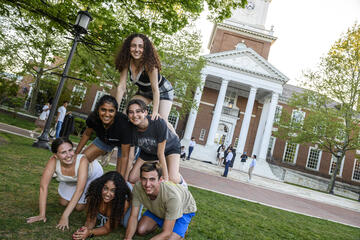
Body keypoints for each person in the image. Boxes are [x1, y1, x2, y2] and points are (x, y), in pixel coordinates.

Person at [26, 138, 103, 230]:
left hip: (91, 176)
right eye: (63, 152)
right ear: (56, 155)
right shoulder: (53, 161)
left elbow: (79, 190)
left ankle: (94, 201)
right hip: (71, 179)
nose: (68, 155)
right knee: (63, 203)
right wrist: (41, 214)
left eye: (70, 150)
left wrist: (65, 216)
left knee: (79, 208)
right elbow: (43, 187)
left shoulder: (82, 161)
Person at [114, 33, 176, 133]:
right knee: (127, 112)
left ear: (145, 49)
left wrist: (155, 112)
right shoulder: (126, 62)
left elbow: (155, 89)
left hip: (162, 90)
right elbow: (121, 87)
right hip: (144, 92)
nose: (137, 49)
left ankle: (177, 143)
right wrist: (115, 109)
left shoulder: (150, 65)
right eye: (133, 46)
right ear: (128, 48)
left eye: (140, 46)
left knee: (161, 121)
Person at [124, 163, 197, 240]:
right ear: (140, 178)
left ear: (160, 179)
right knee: (141, 230)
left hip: (183, 210)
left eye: (152, 179)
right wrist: (127, 238)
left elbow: (167, 233)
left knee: (169, 238)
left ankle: (179, 229)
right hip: (159, 209)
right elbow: (133, 216)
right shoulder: (138, 187)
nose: (147, 184)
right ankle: (166, 222)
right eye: (144, 179)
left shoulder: (172, 196)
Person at [126, 99, 184, 185]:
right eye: (131, 112)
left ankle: (180, 180)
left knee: (172, 178)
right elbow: (130, 156)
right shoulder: (130, 128)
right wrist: (125, 180)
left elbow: (160, 153)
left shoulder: (157, 122)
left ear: (145, 112)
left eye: (138, 111)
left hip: (170, 148)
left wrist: (166, 180)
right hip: (148, 151)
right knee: (132, 178)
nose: (135, 115)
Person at [75, 95, 132, 178]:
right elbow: (87, 134)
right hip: (104, 139)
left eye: (111, 111)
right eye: (103, 110)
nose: (107, 114)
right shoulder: (93, 118)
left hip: (123, 144)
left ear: (116, 111)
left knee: (120, 175)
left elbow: (124, 156)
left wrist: (122, 180)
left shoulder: (124, 124)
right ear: (98, 109)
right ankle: (105, 152)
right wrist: (76, 155)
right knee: (80, 162)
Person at [72, 171, 132, 239]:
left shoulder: (123, 202)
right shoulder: (94, 194)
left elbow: (107, 228)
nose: (108, 194)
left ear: (117, 192)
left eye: (113, 190)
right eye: (105, 188)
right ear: (100, 187)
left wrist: (90, 233)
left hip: (129, 196)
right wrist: (85, 230)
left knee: (125, 223)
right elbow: (90, 220)